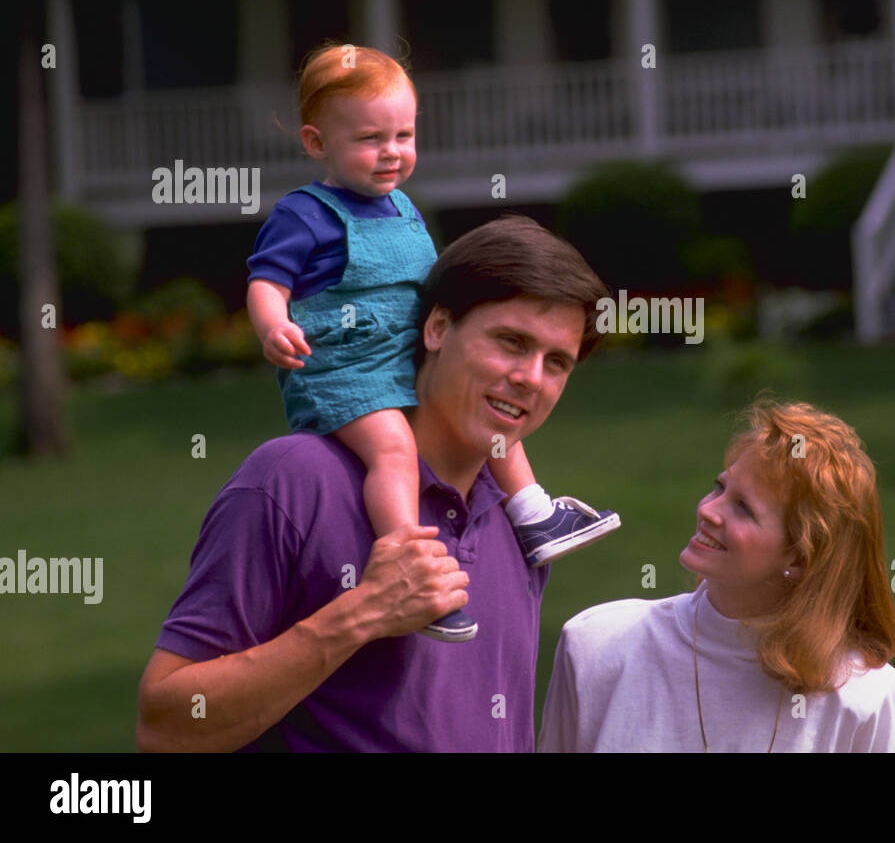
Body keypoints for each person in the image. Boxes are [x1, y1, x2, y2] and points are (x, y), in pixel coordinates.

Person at [136, 215, 609, 751]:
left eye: (557, 363)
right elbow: (166, 727)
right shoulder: (295, 481)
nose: (530, 378)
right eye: (511, 341)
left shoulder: (520, 528)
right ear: (437, 328)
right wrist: (362, 614)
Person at [245, 43, 617, 641]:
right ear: (317, 143)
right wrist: (273, 326)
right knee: (393, 451)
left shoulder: (403, 209)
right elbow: (267, 281)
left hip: (401, 352)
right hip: (344, 367)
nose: (391, 152)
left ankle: (534, 515)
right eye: (370, 139)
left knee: (496, 417)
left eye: (404, 136)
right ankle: (408, 567)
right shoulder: (305, 214)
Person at [539, 399, 895, 752]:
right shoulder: (596, 645)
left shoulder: (862, 697)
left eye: (744, 508)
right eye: (720, 487)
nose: (709, 511)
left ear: (799, 557)